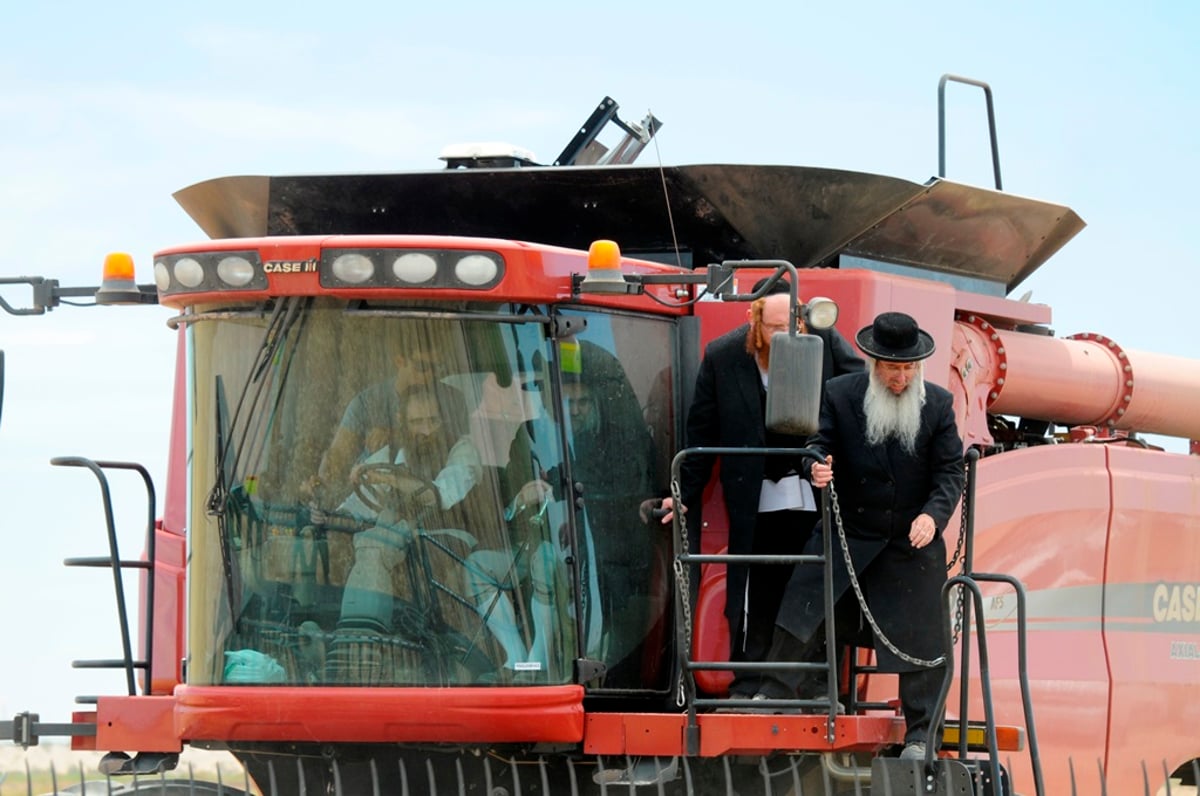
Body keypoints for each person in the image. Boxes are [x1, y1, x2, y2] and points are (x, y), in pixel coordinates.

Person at [756, 311, 964, 762]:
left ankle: (921, 734)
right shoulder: (839, 394)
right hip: (850, 531)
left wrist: (934, 515)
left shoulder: (939, 405)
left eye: (909, 369)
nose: (901, 378)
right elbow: (816, 444)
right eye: (893, 369)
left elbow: (950, 473)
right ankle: (772, 694)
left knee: (923, 635)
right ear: (875, 364)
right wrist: (813, 465)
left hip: (912, 539)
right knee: (803, 602)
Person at [662, 277, 863, 699]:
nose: (787, 334)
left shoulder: (821, 339)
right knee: (755, 587)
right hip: (754, 489)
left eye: (794, 323)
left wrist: (836, 449)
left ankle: (811, 682)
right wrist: (682, 494)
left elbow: (857, 387)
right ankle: (750, 679)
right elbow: (701, 432)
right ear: (753, 320)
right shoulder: (724, 355)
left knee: (808, 584)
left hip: (813, 488)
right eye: (775, 327)